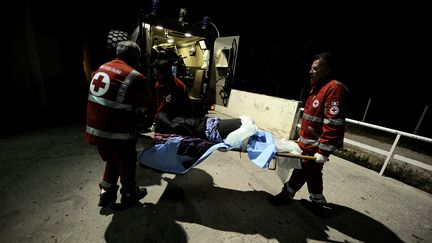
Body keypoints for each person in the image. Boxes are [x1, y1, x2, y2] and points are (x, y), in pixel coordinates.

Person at [269, 52, 348, 215]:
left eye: (316, 68)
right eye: (311, 68)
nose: (311, 71)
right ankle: (319, 202)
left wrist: (323, 151)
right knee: (314, 172)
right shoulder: (318, 87)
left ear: (328, 69)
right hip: (307, 143)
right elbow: (312, 119)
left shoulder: (334, 89)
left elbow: (333, 123)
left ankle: (286, 194)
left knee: (303, 169)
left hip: (316, 147)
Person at [85, 41, 152, 208]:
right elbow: (143, 109)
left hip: (94, 129)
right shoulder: (136, 77)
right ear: (133, 57)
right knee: (127, 161)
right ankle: (129, 194)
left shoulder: (102, 68)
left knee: (113, 160)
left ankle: (106, 193)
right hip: (117, 132)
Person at [152, 59, 193, 131]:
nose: (158, 77)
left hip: (181, 115)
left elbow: (165, 105)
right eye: (156, 75)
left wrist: (155, 121)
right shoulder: (159, 83)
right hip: (169, 112)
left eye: (160, 74)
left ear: (168, 72)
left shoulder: (177, 86)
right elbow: (159, 102)